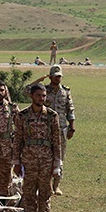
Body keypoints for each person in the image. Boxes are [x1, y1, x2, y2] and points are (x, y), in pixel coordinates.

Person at [14, 84, 63, 212]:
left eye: (44, 96)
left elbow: (56, 141)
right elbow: (18, 140)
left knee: (45, 194)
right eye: (38, 95)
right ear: (32, 96)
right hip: (28, 161)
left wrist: (57, 163)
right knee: (28, 193)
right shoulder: (22, 116)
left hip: (46, 161)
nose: (41, 98)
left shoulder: (52, 116)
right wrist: (16, 162)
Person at [29, 65, 76, 195]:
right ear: (50, 77)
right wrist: (40, 79)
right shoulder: (43, 91)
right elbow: (26, 89)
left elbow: (70, 109)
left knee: (59, 157)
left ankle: (56, 185)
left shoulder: (65, 92)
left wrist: (72, 127)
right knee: (44, 158)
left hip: (61, 129)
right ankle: (45, 185)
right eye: (55, 76)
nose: (57, 79)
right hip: (44, 129)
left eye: (59, 76)